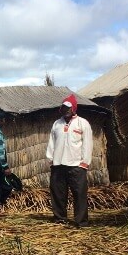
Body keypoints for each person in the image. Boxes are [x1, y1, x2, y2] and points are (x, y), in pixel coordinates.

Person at [45, 94, 93, 227]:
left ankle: (81, 221)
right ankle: (60, 218)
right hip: (58, 164)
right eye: (63, 108)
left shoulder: (82, 123)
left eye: (68, 108)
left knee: (79, 194)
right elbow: (52, 142)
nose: (65, 111)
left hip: (76, 165)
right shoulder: (57, 124)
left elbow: (88, 144)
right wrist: (51, 159)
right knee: (58, 193)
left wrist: (85, 162)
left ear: (74, 109)